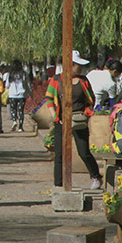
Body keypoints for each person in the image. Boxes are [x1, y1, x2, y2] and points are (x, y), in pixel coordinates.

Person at [46, 50, 102, 190]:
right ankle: (58, 183)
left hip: (79, 120)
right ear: (70, 65)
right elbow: (49, 98)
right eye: (78, 65)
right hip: (61, 120)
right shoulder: (56, 79)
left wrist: (87, 113)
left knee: (83, 151)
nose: (81, 68)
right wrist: (55, 115)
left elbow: (91, 99)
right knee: (59, 153)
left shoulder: (83, 80)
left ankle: (95, 176)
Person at [5, 60, 28, 132]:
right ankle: (20, 127)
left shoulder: (10, 74)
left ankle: (14, 120)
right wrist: (30, 93)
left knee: (13, 109)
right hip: (22, 94)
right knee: (21, 110)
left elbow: (7, 85)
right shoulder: (24, 74)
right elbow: (27, 84)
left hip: (12, 94)